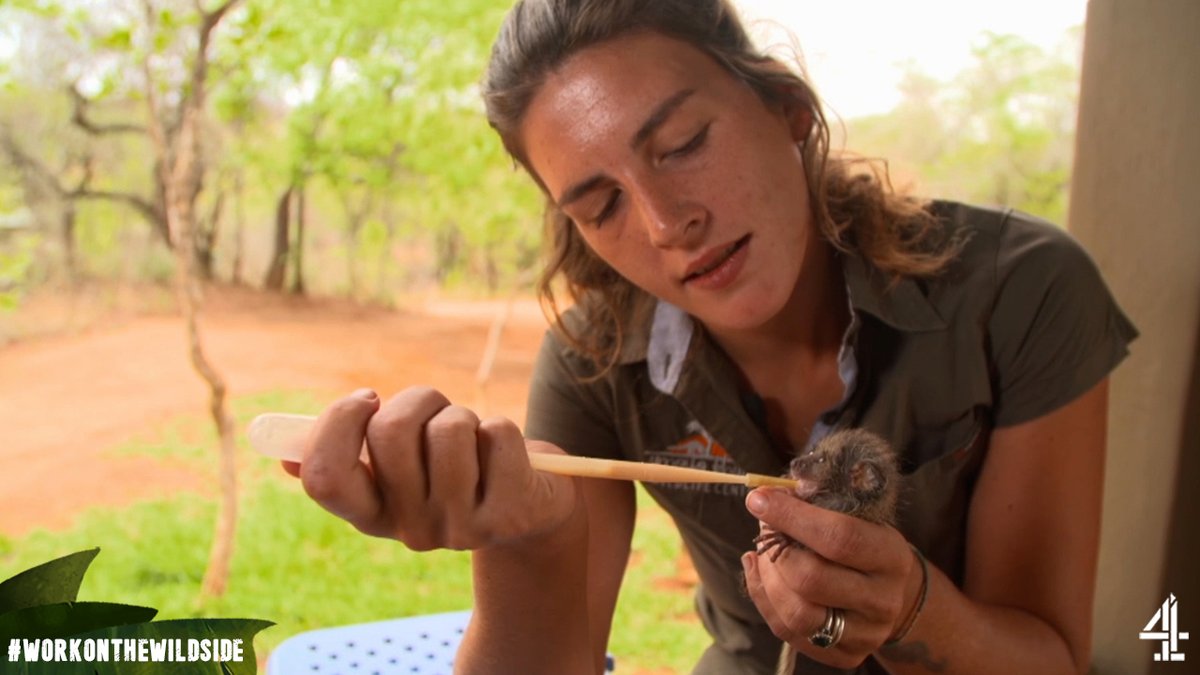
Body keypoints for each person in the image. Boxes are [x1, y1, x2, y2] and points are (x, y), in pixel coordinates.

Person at [284, 1, 1137, 673]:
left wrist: (914, 613)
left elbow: (1048, 655)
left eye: (684, 142)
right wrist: (526, 546)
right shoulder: (594, 364)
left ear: (786, 106)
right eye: (601, 204)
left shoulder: (1022, 289)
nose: (665, 223)